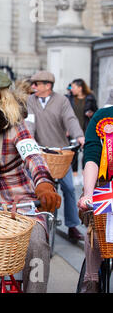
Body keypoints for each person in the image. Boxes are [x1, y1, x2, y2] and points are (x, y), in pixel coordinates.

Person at [0, 69, 61, 293]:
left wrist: (44, 185)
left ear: (1, 94)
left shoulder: (15, 124)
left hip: (20, 202)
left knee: (37, 245)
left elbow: (33, 156)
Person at [26, 70, 85, 242]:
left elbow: (70, 119)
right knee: (32, 186)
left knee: (68, 187)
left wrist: (79, 136)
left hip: (59, 151)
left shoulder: (62, 101)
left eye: (36, 84)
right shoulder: (31, 101)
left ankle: (72, 226)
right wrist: (29, 141)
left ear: (47, 86)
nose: (33, 87)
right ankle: (33, 221)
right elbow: (29, 123)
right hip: (39, 151)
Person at [77, 105, 113, 292]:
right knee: (96, 232)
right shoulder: (103, 117)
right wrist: (89, 194)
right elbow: (91, 157)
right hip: (104, 186)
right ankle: (91, 281)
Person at [67, 78, 98, 180]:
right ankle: (75, 175)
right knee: (74, 153)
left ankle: (85, 176)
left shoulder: (90, 98)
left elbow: (96, 112)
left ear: (80, 88)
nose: (71, 89)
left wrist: (91, 113)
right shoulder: (69, 98)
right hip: (73, 129)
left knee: (86, 153)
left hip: (86, 128)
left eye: (73, 87)